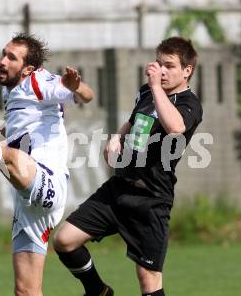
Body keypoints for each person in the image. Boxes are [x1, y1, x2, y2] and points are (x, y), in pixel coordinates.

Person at [0, 33, 94, 296]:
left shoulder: (39, 81)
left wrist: (75, 86)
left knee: (8, 155)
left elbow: (87, 96)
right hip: (28, 204)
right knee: (25, 291)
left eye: (11, 58)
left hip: (48, 181)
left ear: (28, 68)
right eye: (3, 54)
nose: (2, 61)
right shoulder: (10, 91)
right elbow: (13, 131)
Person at [53, 36, 203, 296]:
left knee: (148, 278)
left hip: (151, 198)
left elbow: (176, 128)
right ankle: (99, 291)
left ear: (187, 71)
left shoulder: (189, 104)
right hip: (118, 189)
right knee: (64, 240)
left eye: (169, 65)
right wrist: (116, 138)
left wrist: (156, 87)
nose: (161, 70)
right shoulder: (147, 92)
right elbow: (134, 122)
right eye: (158, 63)